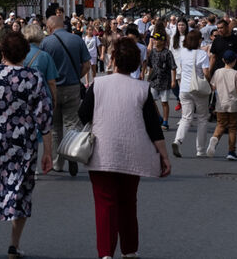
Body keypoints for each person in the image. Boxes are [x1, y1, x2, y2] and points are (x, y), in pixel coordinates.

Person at [78, 38, 171, 259]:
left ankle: (106, 253)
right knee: (128, 202)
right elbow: (153, 126)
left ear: (113, 60)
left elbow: (83, 115)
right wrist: (164, 156)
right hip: (133, 153)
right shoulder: (142, 88)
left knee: (104, 203)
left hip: (102, 151)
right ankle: (129, 250)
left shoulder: (98, 84)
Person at [0, 32, 53, 259]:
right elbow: (44, 118)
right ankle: (14, 246)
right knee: (21, 193)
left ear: (2, 52)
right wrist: (48, 153)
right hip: (22, 144)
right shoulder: (34, 77)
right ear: (25, 52)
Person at [40, 14, 91, 176]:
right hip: (73, 86)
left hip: (52, 88)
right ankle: (72, 154)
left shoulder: (46, 42)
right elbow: (87, 64)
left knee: (55, 127)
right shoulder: (77, 39)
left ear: (49, 27)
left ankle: (58, 162)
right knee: (72, 123)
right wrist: (76, 76)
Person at [171, 29, 211, 157]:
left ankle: (178, 140)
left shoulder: (183, 53)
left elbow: (182, 68)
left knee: (186, 117)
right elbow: (205, 73)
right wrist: (209, 81)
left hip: (184, 88)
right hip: (198, 88)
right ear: (199, 40)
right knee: (202, 118)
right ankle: (200, 149)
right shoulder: (202, 54)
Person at [207, 50, 237, 160]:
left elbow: (213, 86)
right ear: (235, 61)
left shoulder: (218, 72)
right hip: (233, 103)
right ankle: (231, 151)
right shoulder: (236, 74)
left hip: (220, 103)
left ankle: (214, 138)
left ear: (223, 60)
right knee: (232, 127)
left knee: (220, 125)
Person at [144, 33, 176, 130]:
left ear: (163, 41)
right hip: (154, 80)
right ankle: (159, 117)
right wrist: (149, 78)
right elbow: (150, 66)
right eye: (154, 39)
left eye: (157, 39)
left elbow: (173, 67)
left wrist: (173, 81)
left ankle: (165, 121)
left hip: (165, 81)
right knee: (152, 101)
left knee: (164, 102)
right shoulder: (152, 52)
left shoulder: (168, 53)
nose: (155, 41)